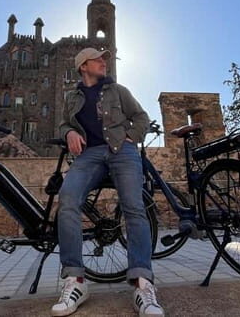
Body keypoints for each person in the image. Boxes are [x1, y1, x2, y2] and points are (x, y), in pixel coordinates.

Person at [51, 48, 164, 317]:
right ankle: (75, 281)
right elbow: (63, 124)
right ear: (83, 66)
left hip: (121, 152)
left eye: (105, 59)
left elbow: (141, 117)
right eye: (98, 59)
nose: (104, 62)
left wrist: (130, 137)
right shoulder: (73, 97)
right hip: (89, 156)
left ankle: (142, 284)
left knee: (134, 208)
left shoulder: (118, 90)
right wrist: (68, 133)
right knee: (67, 200)